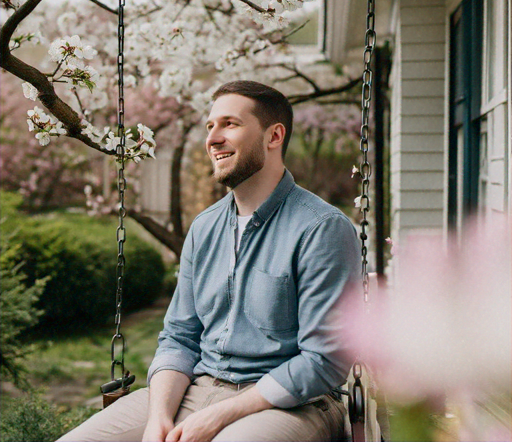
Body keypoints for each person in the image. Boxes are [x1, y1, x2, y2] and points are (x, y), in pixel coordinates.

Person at [57, 80, 360, 442]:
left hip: (289, 403)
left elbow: (324, 360)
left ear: (274, 136)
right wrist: (158, 418)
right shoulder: (205, 227)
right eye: (210, 126)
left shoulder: (322, 229)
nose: (213, 138)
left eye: (230, 124)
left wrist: (218, 416)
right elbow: (179, 337)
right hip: (196, 389)